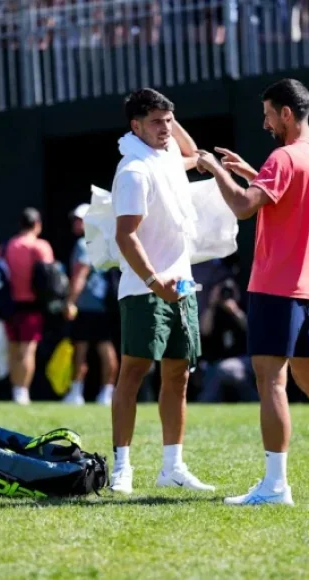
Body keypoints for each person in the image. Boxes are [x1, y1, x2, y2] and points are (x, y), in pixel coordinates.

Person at [195, 78, 309, 505]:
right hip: (307, 289)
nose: (264, 123)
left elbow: (243, 207)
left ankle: (276, 486)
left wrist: (217, 169)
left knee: (271, 381)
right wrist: (248, 172)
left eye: (267, 114)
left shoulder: (283, 158)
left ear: (286, 114)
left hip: (276, 288)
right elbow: (287, 199)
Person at [109, 87, 215, 494]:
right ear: (134, 126)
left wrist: (168, 116)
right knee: (133, 374)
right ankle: (123, 467)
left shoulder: (167, 151)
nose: (165, 129)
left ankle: (173, 467)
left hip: (182, 284)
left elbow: (194, 152)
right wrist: (155, 282)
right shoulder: (134, 170)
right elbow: (125, 236)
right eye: (155, 122)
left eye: (169, 120)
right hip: (143, 288)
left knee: (178, 376)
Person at [61, 203, 118, 406]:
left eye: (80, 219)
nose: (76, 223)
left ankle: (77, 393)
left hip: (87, 306)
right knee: (103, 348)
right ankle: (105, 394)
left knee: (83, 349)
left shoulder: (84, 244)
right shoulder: (103, 242)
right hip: (102, 307)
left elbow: (80, 275)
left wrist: (70, 301)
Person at [0, 207, 54, 406]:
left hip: (10, 305)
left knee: (14, 349)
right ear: (37, 225)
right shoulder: (40, 247)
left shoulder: (6, 247)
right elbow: (51, 278)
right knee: (27, 350)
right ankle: (23, 391)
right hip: (32, 304)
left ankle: (16, 390)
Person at [197, 277, 257, 403]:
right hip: (216, 361)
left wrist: (235, 311)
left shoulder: (244, 305)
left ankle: (256, 401)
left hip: (244, 358)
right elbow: (205, 330)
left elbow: (252, 332)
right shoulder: (213, 310)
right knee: (218, 371)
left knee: (225, 370)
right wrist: (212, 305)